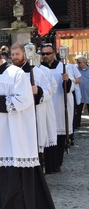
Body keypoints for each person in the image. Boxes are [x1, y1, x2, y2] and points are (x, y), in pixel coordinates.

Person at [0, 41, 54, 209]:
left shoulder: (16, 74)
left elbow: (25, 100)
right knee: (1, 180)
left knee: (16, 181)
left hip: (16, 137)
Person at [10, 42, 56, 169]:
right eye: (12, 54)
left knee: (33, 143)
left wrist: (39, 91)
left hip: (34, 114)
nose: (14, 57)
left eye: (17, 54)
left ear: (24, 54)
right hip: (17, 116)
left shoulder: (37, 72)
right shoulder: (9, 73)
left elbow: (50, 90)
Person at [41, 43, 76, 172]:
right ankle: (47, 164)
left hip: (60, 105)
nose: (45, 56)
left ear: (54, 54)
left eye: (48, 53)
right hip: (46, 106)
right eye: (43, 54)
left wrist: (67, 81)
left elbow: (72, 87)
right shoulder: (39, 69)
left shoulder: (63, 67)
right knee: (46, 136)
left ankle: (56, 164)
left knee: (59, 137)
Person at [76, 56, 89, 125]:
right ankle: (77, 124)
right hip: (79, 93)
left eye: (79, 62)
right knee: (78, 110)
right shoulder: (77, 69)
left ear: (84, 63)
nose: (78, 63)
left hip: (88, 92)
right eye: (77, 62)